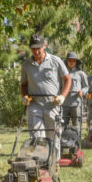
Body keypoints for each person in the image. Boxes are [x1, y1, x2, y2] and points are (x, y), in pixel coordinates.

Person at [20, 33, 71, 161]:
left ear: (44, 46)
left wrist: (63, 96)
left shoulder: (55, 61)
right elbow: (23, 85)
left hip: (52, 105)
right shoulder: (26, 65)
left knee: (53, 136)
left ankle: (54, 164)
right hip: (35, 105)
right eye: (33, 48)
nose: (36, 51)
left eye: (39, 48)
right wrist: (25, 97)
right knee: (36, 137)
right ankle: (40, 164)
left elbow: (67, 79)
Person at [63, 52, 88, 129]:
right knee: (62, 125)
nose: (71, 62)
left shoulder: (81, 74)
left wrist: (82, 92)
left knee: (76, 126)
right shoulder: (62, 73)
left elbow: (86, 87)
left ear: (76, 62)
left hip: (76, 104)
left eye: (73, 60)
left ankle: (77, 140)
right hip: (64, 104)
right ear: (66, 61)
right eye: (69, 60)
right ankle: (63, 141)